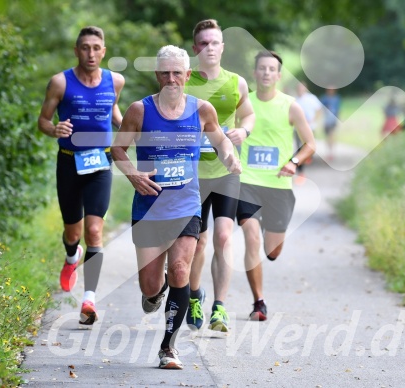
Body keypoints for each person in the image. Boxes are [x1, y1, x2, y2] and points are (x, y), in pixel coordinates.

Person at [111, 45, 241, 369]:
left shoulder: (202, 110)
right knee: (150, 286)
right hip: (149, 208)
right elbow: (117, 149)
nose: (171, 78)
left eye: (177, 73)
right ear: (158, 75)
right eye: (165, 73)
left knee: (181, 269)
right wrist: (133, 175)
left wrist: (229, 155)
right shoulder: (139, 111)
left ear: (187, 75)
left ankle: (168, 348)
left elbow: (220, 139)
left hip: (186, 205)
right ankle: (158, 291)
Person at [37, 26, 125, 325]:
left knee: (95, 231)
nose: (91, 53)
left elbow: (113, 110)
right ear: (77, 50)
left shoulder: (116, 81)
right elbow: (43, 120)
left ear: (104, 50)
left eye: (96, 47)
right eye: (85, 47)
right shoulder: (60, 82)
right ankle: (71, 257)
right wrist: (54, 129)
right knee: (73, 233)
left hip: (100, 163)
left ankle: (89, 298)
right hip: (69, 163)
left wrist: (126, 130)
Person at [184, 19, 255, 332]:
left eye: (215, 43)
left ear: (222, 47)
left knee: (224, 237)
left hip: (226, 170)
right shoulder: (183, 82)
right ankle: (195, 294)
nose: (209, 48)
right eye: (204, 43)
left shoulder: (236, 82)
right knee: (198, 243)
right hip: (192, 175)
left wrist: (243, 129)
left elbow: (249, 113)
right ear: (194, 48)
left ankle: (219, 307)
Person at [237, 51, 316, 321]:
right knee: (251, 236)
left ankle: (268, 248)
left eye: (272, 69)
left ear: (279, 75)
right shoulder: (242, 104)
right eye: (262, 68)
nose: (267, 73)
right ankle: (258, 302)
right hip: (247, 181)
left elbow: (311, 144)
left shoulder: (291, 106)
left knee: (272, 250)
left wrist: (294, 162)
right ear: (255, 73)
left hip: (279, 185)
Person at [294, 82, 322, 183]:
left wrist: (314, 120)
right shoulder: (294, 100)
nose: (300, 90)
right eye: (299, 88)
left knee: (308, 146)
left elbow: (319, 109)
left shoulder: (311, 98)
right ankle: (300, 170)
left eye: (302, 88)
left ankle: (307, 157)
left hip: (310, 127)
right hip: (297, 129)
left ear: (305, 88)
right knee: (299, 147)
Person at [319, 87, 341, 160]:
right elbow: (321, 108)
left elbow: (338, 109)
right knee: (328, 137)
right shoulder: (324, 98)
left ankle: (331, 153)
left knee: (331, 136)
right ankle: (329, 151)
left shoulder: (337, 98)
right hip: (326, 120)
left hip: (333, 120)